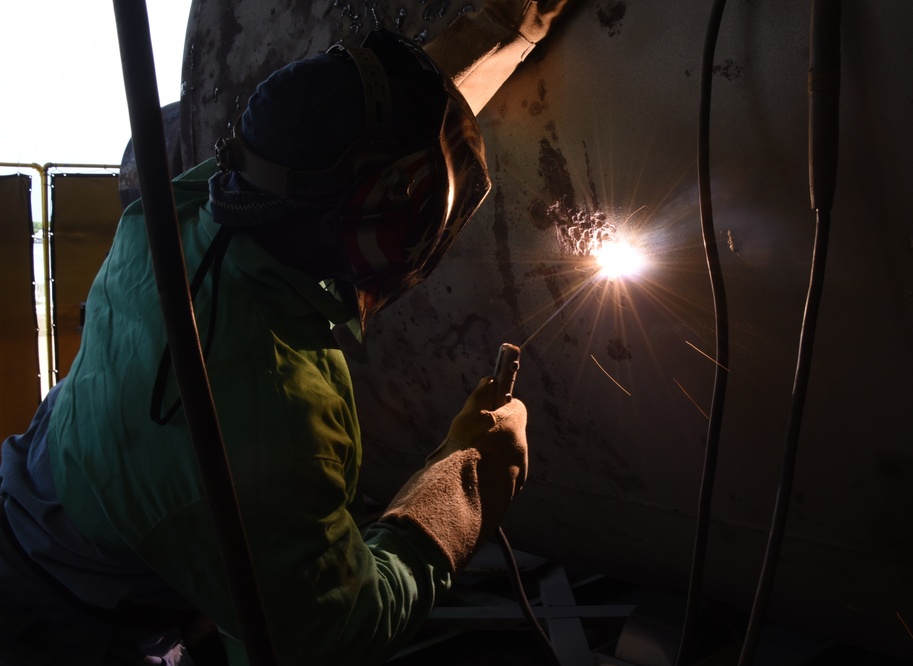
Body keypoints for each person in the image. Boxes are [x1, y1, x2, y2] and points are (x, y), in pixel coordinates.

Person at [0, 2, 576, 664]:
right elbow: (336, 633)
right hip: (67, 628)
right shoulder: (274, 418)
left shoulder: (179, 218)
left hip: (25, 509)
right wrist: (465, 485)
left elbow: (345, 157)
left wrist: (504, 28)